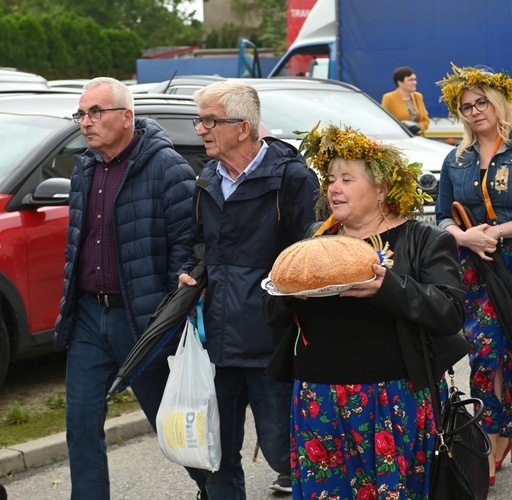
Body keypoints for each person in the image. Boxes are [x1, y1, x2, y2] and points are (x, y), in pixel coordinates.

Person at [262, 122, 470, 498]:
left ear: (382, 189)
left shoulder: (423, 239)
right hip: (319, 399)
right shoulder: (316, 239)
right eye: (330, 179)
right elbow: (271, 309)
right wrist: (293, 295)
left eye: (347, 179)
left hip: (392, 399)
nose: (334, 188)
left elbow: (450, 311)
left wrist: (387, 287)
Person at [54, 77, 197, 500]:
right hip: (87, 316)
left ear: (127, 117)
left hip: (142, 319)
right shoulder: (84, 168)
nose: (86, 122)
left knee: (169, 423)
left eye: (96, 112)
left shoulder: (167, 167)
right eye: (81, 114)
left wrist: (169, 315)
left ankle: (215, 487)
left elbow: (186, 248)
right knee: (80, 424)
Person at [177, 80, 320, 499]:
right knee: (216, 454)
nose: (200, 129)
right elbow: (198, 242)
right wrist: (191, 272)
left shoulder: (293, 178)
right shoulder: (208, 177)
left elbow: (311, 253)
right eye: (199, 120)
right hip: (216, 343)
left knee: (283, 452)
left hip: (270, 342)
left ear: (242, 128)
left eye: (209, 121)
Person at [434, 63, 512, 485]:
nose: (475, 111)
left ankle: (504, 434)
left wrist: (494, 232)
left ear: (500, 104)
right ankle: (494, 432)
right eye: (466, 106)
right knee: (483, 350)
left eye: (482, 102)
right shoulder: (454, 158)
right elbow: (442, 215)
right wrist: (465, 239)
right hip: (473, 268)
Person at [381, 66, 430, 134]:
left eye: (414, 79)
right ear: (400, 82)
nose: (414, 82)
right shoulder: (388, 98)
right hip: (399, 139)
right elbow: (385, 121)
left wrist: (416, 128)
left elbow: (425, 120)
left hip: (417, 139)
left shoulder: (418, 96)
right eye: (410, 80)